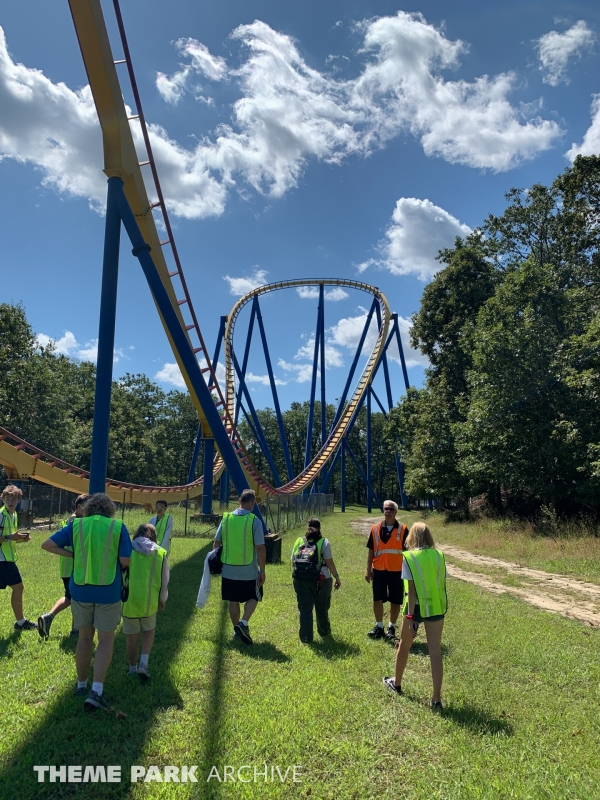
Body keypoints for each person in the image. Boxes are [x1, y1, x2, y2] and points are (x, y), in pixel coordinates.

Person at [41, 493, 132, 710]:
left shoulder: (76, 526)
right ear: (110, 510)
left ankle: (81, 685)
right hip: (108, 591)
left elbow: (47, 544)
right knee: (106, 641)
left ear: (88, 509)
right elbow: (125, 560)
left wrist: (71, 555)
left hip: (80, 590)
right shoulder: (118, 526)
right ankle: (96, 691)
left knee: (84, 639)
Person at [383, 522, 447, 709]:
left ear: (411, 537)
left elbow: (411, 591)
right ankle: (436, 698)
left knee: (404, 646)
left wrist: (410, 617)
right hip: (435, 607)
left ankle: (397, 683)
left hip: (416, 608)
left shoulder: (409, 557)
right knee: (435, 651)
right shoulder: (439, 555)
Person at [212, 488, 266, 645]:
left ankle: (236, 630)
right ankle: (243, 623)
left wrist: (214, 562)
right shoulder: (254, 520)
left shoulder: (226, 518)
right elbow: (260, 547)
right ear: (252, 502)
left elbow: (216, 543)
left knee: (233, 599)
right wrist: (262, 570)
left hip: (228, 568)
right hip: (248, 569)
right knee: (254, 596)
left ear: (239, 501)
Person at [38, 493, 90, 639]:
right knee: (75, 598)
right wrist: (72, 555)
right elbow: (50, 545)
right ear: (79, 507)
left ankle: (58, 622)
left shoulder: (76, 519)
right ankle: (72, 628)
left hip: (70, 567)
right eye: (88, 506)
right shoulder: (75, 521)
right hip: (72, 567)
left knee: (71, 597)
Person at [122, 523, 169, 681]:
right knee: (149, 630)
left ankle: (132, 667)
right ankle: (143, 663)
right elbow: (164, 578)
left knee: (132, 635)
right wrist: (162, 598)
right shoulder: (160, 552)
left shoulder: (127, 549)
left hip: (129, 599)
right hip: (150, 599)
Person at [291, 518, 341, 644]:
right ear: (319, 528)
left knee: (304, 609)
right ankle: (324, 632)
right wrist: (336, 577)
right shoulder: (324, 542)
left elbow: (293, 560)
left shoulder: (299, 540)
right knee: (322, 607)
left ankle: (306, 638)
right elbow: (329, 562)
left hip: (300, 579)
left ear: (307, 527)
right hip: (321, 580)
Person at [365, 500, 408, 641]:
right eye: (386, 509)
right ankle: (379, 627)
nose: (388, 511)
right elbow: (371, 550)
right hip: (379, 569)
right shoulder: (375, 528)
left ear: (396, 512)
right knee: (377, 599)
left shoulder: (403, 529)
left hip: (397, 571)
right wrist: (368, 570)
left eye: (391, 509)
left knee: (395, 600)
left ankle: (391, 628)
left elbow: (408, 552)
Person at [0, 484, 36, 631]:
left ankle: (20, 622)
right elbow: (7, 537)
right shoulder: (1, 515)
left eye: (13, 499)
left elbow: (9, 538)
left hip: (7, 559)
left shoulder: (13, 514)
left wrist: (21, 539)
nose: (10, 502)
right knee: (18, 587)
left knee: (18, 588)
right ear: (2, 499)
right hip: (2, 561)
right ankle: (20, 623)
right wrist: (11, 537)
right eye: (7, 499)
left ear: (19, 500)